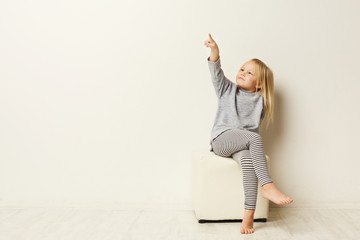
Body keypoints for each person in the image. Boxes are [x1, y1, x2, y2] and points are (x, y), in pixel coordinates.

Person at [203, 33, 293, 234]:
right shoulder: (227, 89)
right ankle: (268, 185)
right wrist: (214, 50)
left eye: (250, 73)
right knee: (254, 138)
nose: (242, 72)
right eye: (242, 69)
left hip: (241, 145)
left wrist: (250, 147)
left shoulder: (260, 102)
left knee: (248, 163)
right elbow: (215, 71)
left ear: (259, 84)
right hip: (222, 140)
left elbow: (250, 130)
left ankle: (248, 216)